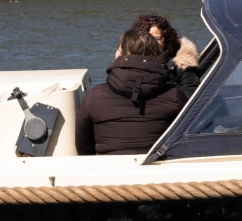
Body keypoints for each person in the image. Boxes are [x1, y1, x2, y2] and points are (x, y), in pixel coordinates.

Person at [75, 25, 190, 156]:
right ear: (158, 56)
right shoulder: (175, 95)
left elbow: (83, 146)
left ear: (120, 54)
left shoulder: (94, 96)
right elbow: (187, 138)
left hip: (110, 166)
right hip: (157, 165)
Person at [128, 12, 205, 90]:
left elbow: (190, 92)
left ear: (166, 39)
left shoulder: (181, 66)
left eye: (158, 39)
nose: (154, 42)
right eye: (149, 38)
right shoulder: (128, 64)